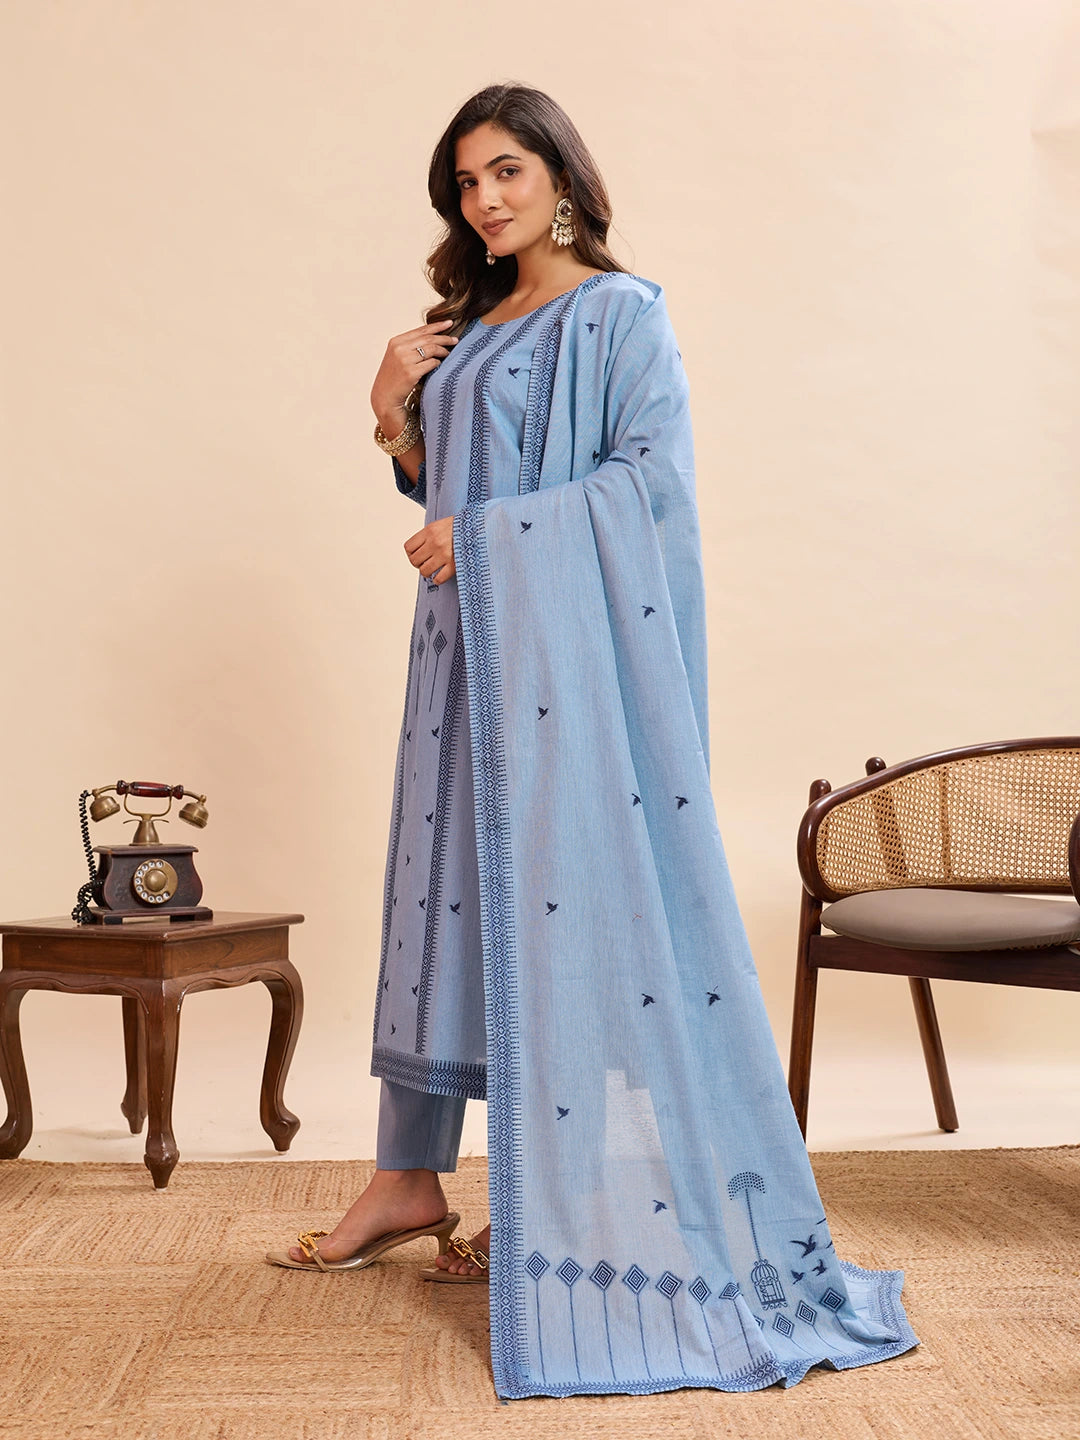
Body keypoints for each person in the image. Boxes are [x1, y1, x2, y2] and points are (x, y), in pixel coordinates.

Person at [267, 82, 920, 1402]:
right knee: (440, 906)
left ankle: (584, 1207)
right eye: (465, 183)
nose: (485, 200)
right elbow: (444, 482)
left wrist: (485, 541)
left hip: (563, 677)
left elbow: (647, 486)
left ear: (562, 177)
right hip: (461, 660)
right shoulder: (469, 327)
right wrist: (391, 413)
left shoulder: (622, 316)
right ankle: (405, 1176)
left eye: (507, 171)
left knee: (574, 913)